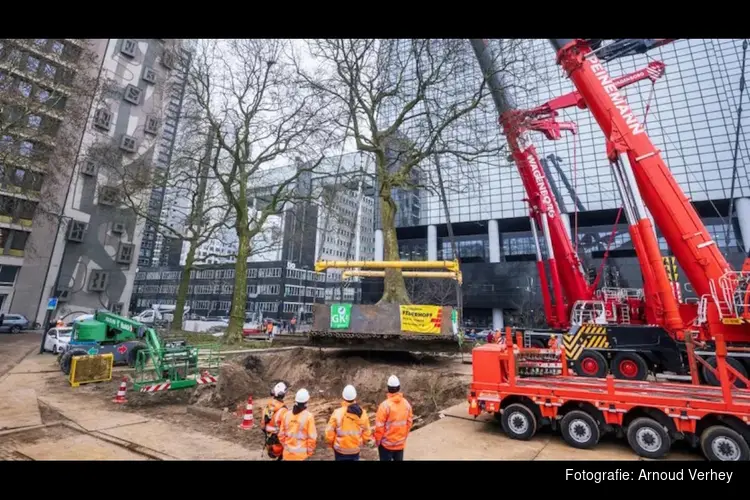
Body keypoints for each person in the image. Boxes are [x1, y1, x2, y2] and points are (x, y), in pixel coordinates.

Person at [325, 384, 373, 461]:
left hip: (340, 450)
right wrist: (364, 441)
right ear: (355, 397)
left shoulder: (337, 413)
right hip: (355, 450)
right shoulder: (363, 413)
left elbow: (329, 432)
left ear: (343, 397)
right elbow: (367, 432)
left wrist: (331, 444)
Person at [374, 375, 413, 461]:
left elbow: (379, 427)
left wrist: (377, 441)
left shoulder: (384, 406)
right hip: (400, 444)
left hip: (386, 445)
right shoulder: (406, 404)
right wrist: (403, 437)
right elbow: (409, 423)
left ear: (388, 388)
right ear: (399, 387)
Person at [278, 388, 318, 461]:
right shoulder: (309, 417)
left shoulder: (286, 415)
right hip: (301, 456)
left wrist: (286, 447)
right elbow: (312, 438)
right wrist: (309, 453)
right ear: (306, 402)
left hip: (287, 455)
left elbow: (281, 435)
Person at [262, 382, 289, 461]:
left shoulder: (267, 407)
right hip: (278, 446)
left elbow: (263, 426)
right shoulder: (283, 411)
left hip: (269, 443)